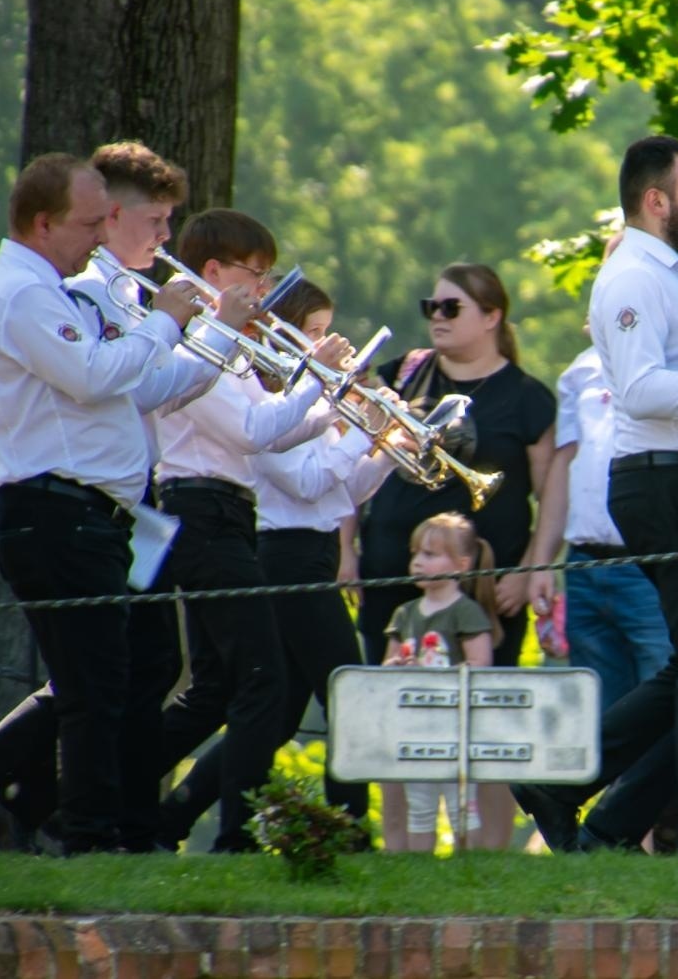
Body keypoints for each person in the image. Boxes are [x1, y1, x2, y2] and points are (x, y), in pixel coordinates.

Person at [510, 135, 678, 858]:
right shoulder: (631, 276)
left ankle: (572, 794)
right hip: (663, 479)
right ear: (656, 201)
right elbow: (643, 391)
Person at [0, 153, 203, 854]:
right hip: (56, 511)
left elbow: (137, 388)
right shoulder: (25, 292)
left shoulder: (63, 287)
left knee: (115, 675)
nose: (101, 238)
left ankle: (4, 795)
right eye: (90, 223)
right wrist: (161, 322)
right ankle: (88, 837)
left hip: (96, 515)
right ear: (43, 222)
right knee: (94, 688)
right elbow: (93, 375)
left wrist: (206, 337)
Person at [154, 280, 400, 836]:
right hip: (282, 556)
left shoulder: (302, 405)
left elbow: (343, 491)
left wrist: (383, 446)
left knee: (280, 714)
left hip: (310, 552)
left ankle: (171, 816)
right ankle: (347, 831)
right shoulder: (270, 400)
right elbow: (309, 481)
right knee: (347, 691)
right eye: (313, 332)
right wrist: (352, 427)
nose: (328, 344)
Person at [356, 261, 555, 848]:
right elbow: (353, 464)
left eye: (451, 308)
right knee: (398, 716)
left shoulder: (526, 397)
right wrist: (347, 547)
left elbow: (551, 493)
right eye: (432, 307)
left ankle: (487, 849)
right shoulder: (401, 376)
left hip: (487, 588)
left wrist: (535, 567)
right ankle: (404, 847)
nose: (436, 318)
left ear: (493, 316)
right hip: (394, 578)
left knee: (485, 722)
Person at [527, 340, 672, 713]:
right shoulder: (581, 367)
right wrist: (543, 560)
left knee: (662, 697)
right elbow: (565, 462)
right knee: (595, 712)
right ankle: (609, 776)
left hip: (650, 567)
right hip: (584, 566)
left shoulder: (674, 361)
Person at [379, 513, 500, 852]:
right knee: (420, 805)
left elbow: (479, 664)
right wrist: (398, 665)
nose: (418, 562)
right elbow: (386, 665)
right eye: (416, 553)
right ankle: (421, 874)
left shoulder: (466, 611)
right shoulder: (404, 614)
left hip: (455, 727)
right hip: (414, 726)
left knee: (462, 804)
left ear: (461, 564)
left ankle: (469, 868)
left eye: (430, 555)